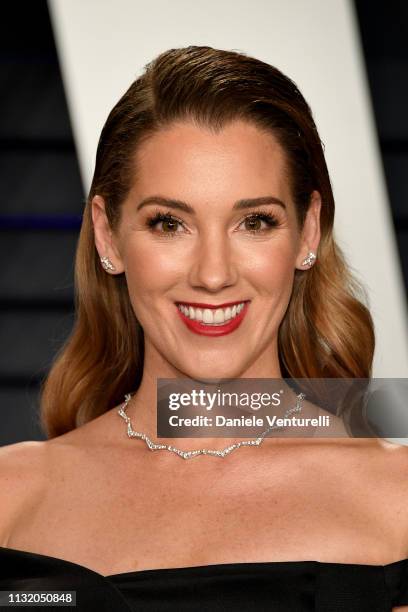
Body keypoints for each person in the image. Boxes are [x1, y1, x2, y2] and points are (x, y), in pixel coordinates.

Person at [0, 45, 407, 611]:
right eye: (169, 223)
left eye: (255, 222)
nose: (213, 274)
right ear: (108, 235)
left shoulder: (398, 501)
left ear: (308, 232)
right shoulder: (10, 499)